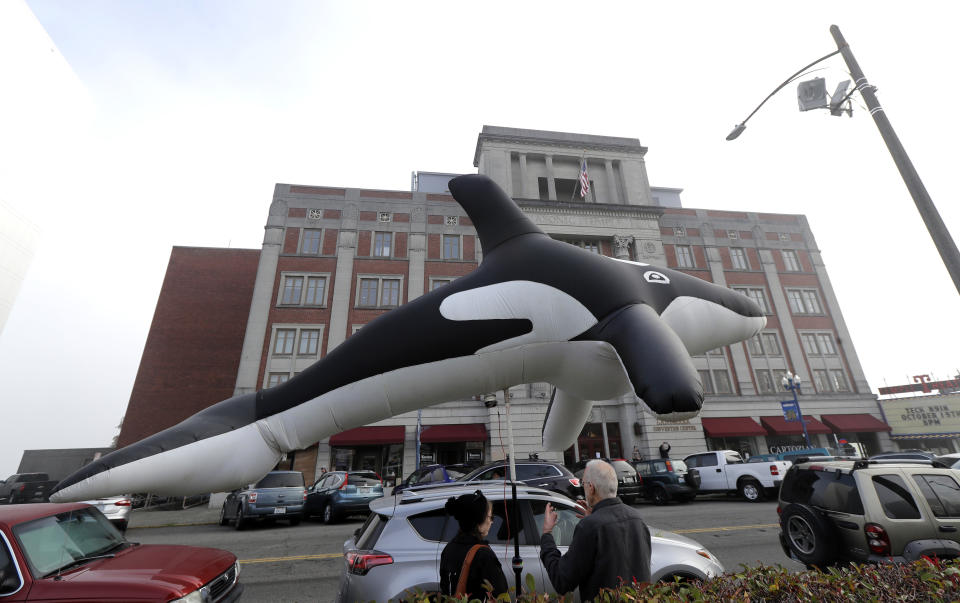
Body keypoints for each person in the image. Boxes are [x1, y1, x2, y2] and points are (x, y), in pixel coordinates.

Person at [540, 459, 651, 601]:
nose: (583, 487)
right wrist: (594, 518)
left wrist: (547, 533)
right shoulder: (637, 519)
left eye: (583, 483)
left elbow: (562, 581)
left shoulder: (589, 526)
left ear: (591, 488)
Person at [439, 490, 509, 599]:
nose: (492, 522)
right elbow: (501, 595)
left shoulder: (448, 549)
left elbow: (445, 589)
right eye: (490, 517)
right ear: (478, 522)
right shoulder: (484, 555)